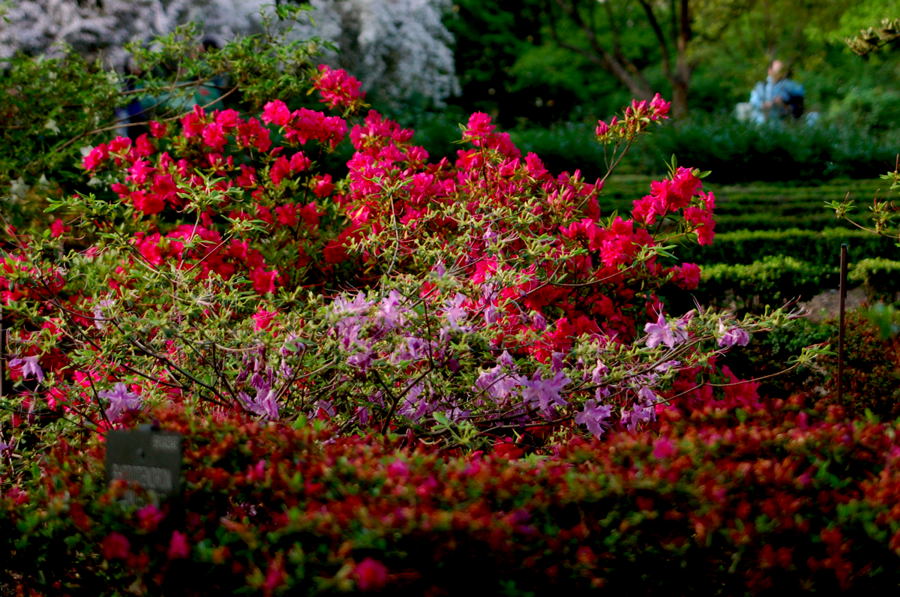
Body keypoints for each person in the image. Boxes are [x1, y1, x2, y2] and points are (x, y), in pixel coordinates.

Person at [747, 59, 805, 124]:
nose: (780, 73)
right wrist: (763, 105)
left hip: (781, 124)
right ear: (770, 71)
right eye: (777, 70)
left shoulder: (790, 87)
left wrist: (782, 105)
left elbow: (798, 108)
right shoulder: (761, 86)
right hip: (761, 123)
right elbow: (753, 102)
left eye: (782, 70)